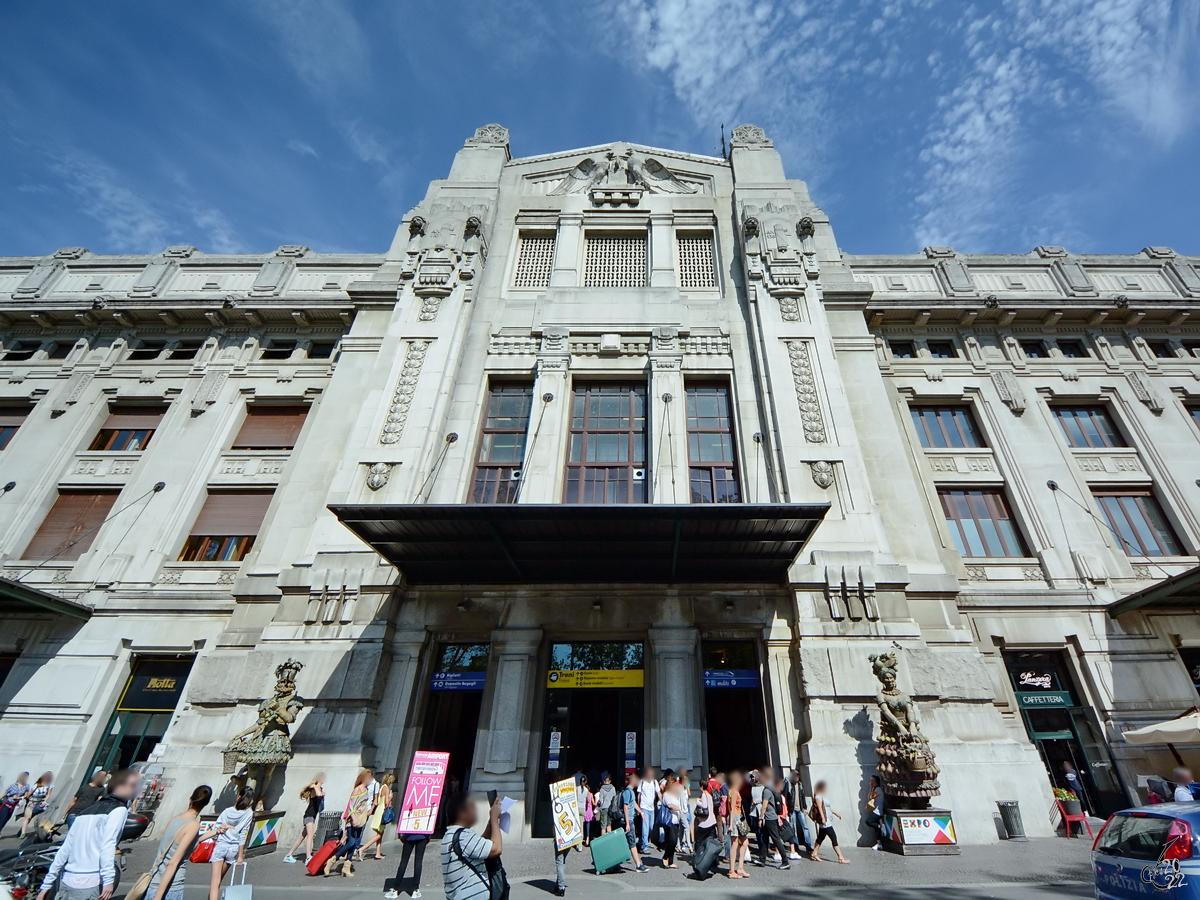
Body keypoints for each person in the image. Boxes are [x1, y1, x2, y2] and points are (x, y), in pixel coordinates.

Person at [36, 768, 139, 900]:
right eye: (132, 785)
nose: (135, 790)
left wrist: (47, 884)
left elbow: (65, 848)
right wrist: (108, 880)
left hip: (67, 880)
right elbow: (108, 844)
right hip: (90, 882)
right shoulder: (119, 810)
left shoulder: (85, 812)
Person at [146, 785, 212, 900]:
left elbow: (187, 842)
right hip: (169, 888)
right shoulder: (193, 825)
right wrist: (159, 896)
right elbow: (172, 863)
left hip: (153, 882)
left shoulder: (175, 819)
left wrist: (216, 832)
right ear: (206, 803)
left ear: (190, 799)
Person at [440, 791, 502, 900]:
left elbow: (477, 846)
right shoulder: (464, 836)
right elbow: (496, 849)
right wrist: (494, 819)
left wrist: (490, 825)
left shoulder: (451, 834)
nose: (476, 810)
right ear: (462, 813)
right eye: (472, 806)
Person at [209, 787, 254, 899]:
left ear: (238, 796)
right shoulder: (248, 813)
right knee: (220, 879)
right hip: (233, 849)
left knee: (215, 883)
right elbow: (243, 834)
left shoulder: (227, 811)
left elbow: (216, 828)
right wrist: (240, 856)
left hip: (221, 845)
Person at [326, 770, 372, 876]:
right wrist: (353, 817)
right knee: (350, 842)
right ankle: (332, 860)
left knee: (354, 844)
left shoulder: (366, 789)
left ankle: (346, 867)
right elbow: (351, 805)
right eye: (368, 777)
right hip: (353, 819)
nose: (370, 780)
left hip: (361, 819)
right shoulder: (358, 789)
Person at [283, 772, 325, 863]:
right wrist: (316, 787)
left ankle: (288, 855)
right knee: (310, 835)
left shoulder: (319, 789)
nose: (324, 779)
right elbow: (318, 795)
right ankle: (308, 857)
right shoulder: (314, 788)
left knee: (302, 836)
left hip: (312, 816)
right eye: (322, 777)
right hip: (309, 816)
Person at [752, 767, 790, 869]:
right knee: (765, 839)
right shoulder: (770, 789)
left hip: (770, 819)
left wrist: (760, 818)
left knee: (776, 839)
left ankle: (785, 861)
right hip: (770, 818)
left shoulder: (767, 791)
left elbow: (764, 805)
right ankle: (762, 859)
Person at [809, 781, 849, 864]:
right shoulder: (818, 796)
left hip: (827, 821)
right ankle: (840, 857)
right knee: (833, 837)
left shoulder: (821, 796)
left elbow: (827, 808)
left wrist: (836, 814)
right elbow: (820, 808)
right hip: (826, 822)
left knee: (820, 838)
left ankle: (814, 853)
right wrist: (823, 819)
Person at [361, 773, 395, 861]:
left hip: (379, 810)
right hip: (382, 811)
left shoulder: (382, 787)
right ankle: (362, 848)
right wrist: (391, 797)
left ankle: (378, 853)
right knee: (379, 835)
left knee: (380, 833)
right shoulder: (387, 789)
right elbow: (387, 802)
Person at [386, 832, 430, 900]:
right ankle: (415, 889)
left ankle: (395, 889)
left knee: (404, 861)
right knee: (418, 861)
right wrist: (428, 835)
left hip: (409, 835)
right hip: (422, 835)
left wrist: (401, 834)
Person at [725, 771, 750, 879]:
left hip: (738, 817)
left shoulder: (734, 791)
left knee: (745, 842)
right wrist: (730, 824)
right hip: (734, 817)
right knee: (734, 844)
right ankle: (731, 870)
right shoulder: (734, 791)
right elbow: (731, 809)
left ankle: (740, 867)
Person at [620, 774, 647, 873]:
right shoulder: (627, 792)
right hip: (629, 820)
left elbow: (633, 803)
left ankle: (617, 863)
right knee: (632, 843)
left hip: (630, 820)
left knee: (626, 842)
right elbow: (625, 807)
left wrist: (641, 812)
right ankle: (638, 865)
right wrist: (627, 823)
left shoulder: (631, 791)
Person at [659, 772, 685, 868]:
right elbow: (669, 805)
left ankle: (671, 861)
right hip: (669, 821)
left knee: (674, 841)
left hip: (676, 820)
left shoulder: (674, 795)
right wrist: (679, 809)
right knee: (672, 840)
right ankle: (665, 857)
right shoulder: (666, 794)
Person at [21, 771, 54, 838]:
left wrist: (45, 801)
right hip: (32, 802)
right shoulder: (37, 784)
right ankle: (23, 833)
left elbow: (48, 794)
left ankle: (21, 830)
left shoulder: (50, 785)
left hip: (39, 803)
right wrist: (25, 797)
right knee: (27, 817)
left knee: (32, 816)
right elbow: (30, 793)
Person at [787, 769, 812, 855]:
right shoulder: (789, 785)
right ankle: (796, 845)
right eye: (795, 776)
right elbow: (786, 796)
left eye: (798, 776)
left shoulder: (800, 785)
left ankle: (808, 845)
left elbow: (802, 796)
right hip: (792, 809)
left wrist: (804, 807)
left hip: (800, 808)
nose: (797, 777)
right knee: (793, 828)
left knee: (805, 827)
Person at [636, 767, 657, 854]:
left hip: (651, 808)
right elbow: (639, 795)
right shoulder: (642, 782)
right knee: (645, 827)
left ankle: (641, 841)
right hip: (644, 807)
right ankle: (644, 846)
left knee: (651, 827)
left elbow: (658, 793)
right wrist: (638, 808)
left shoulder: (655, 782)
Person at [865, 774, 884, 850]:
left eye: (872, 780)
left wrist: (871, 788)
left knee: (868, 821)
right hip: (876, 810)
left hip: (878, 811)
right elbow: (869, 798)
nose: (871, 782)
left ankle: (881, 827)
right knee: (876, 829)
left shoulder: (878, 789)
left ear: (876, 781)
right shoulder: (875, 789)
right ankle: (879, 844)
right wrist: (871, 788)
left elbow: (872, 797)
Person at [578, 775, 593, 847]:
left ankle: (576, 843)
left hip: (576, 808)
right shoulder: (586, 790)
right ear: (585, 782)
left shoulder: (576, 788)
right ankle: (580, 845)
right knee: (581, 827)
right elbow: (589, 800)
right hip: (582, 808)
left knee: (576, 826)